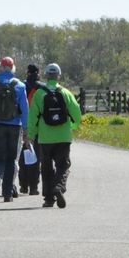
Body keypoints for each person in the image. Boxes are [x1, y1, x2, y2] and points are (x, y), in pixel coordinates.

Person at [27, 62, 82, 208]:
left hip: (45, 138)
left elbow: (33, 117)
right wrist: (73, 126)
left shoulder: (39, 94)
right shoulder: (65, 93)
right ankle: (59, 186)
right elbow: (77, 113)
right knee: (63, 165)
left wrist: (30, 136)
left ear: (46, 75)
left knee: (46, 167)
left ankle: (49, 198)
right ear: (59, 76)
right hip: (63, 136)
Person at [0, 56, 30, 202]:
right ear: (13, 68)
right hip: (14, 125)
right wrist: (26, 129)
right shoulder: (20, 85)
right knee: (11, 159)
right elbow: (25, 109)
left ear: (0, 67)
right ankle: (7, 193)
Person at [18, 64, 42, 196]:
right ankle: (34, 187)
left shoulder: (22, 85)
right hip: (39, 125)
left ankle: (23, 185)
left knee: (24, 155)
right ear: (38, 73)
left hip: (23, 124)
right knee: (36, 156)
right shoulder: (41, 86)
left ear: (27, 72)